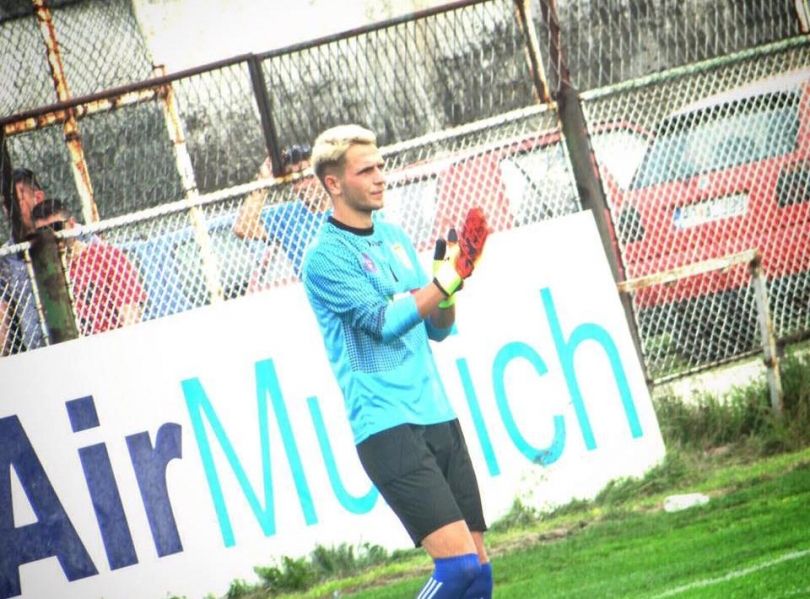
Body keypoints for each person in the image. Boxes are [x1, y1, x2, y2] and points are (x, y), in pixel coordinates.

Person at [301, 125, 492, 599]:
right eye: (365, 170)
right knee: (457, 567)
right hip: (388, 428)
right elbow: (382, 322)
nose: (380, 177)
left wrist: (450, 288)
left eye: (380, 166)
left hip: (436, 413)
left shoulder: (394, 237)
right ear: (333, 183)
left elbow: (437, 329)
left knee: (479, 568)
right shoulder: (325, 259)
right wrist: (443, 283)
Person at [31, 198, 146, 336]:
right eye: (43, 232)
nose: (52, 236)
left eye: (57, 227)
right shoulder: (41, 274)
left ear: (71, 224)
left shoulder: (106, 257)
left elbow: (129, 312)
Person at [233, 145, 329, 284]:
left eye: (308, 176)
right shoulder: (287, 217)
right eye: (295, 180)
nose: (304, 185)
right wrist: (264, 178)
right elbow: (243, 227)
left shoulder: (348, 204)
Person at [0, 167, 47, 355]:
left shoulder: (74, 236)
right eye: (6, 204)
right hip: (35, 354)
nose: (9, 211)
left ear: (38, 198)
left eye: (17, 202)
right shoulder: (5, 258)